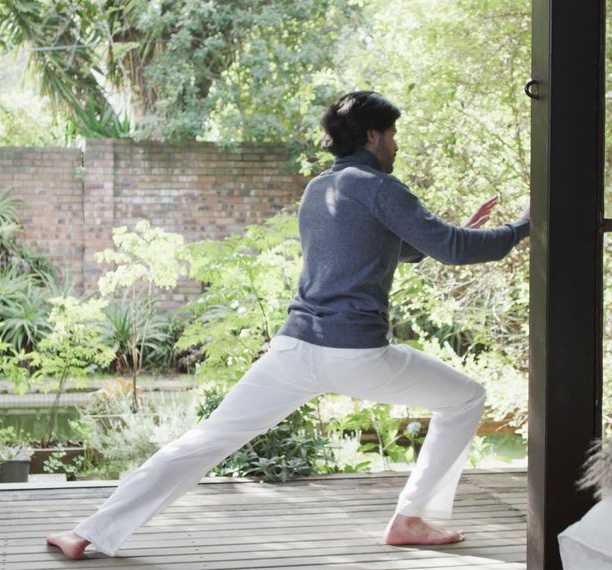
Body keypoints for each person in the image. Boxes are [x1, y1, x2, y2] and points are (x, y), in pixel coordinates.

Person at [47, 91, 530, 560]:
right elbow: (458, 251)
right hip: (356, 355)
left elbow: (388, 249)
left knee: (206, 440)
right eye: (393, 133)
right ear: (372, 135)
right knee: (466, 398)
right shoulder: (381, 187)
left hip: (294, 350)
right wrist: (525, 224)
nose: (397, 144)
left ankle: (86, 532)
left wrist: (448, 233)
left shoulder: (320, 188)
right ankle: (411, 518)